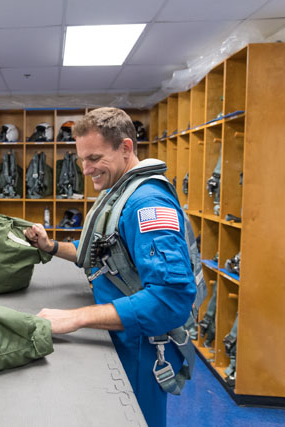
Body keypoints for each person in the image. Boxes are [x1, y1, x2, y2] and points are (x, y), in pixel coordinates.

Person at [24, 108, 196, 427]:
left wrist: (78, 317)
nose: (86, 169)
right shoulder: (117, 192)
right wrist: (49, 247)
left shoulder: (147, 204)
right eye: (81, 159)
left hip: (143, 345)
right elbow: (97, 252)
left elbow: (171, 299)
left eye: (94, 158)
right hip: (117, 332)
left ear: (126, 148)